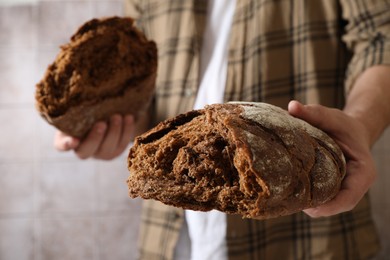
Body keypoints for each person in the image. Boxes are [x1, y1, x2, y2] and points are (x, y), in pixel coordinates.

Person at [55, 0, 390, 259]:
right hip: (172, 240)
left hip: (305, 237)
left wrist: (359, 123)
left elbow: (381, 38)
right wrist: (114, 127)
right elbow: (147, 94)